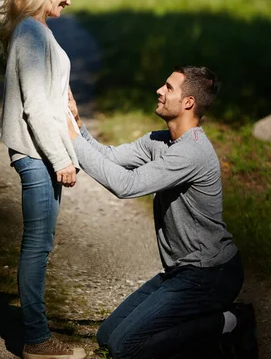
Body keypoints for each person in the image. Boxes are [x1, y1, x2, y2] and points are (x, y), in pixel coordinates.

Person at [66, 66, 258, 359]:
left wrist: (73, 141)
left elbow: (126, 185)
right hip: (180, 272)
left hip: (210, 274)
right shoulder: (161, 140)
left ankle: (232, 322)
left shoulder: (191, 152)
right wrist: (78, 127)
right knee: (107, 336)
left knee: (125, 347)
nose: (159, 90)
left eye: (169, 87)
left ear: (188, 103)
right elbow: (111, 157)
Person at [0, 0, 86, 359]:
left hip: (40, 154)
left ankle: (37, 334)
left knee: (41, 244)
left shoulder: (36, 30)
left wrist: (66, 96)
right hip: (37, 155)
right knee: (37, 246)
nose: (69, 0)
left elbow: (45, 89)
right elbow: (33, 107)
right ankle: (36, 340)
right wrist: (61, 160)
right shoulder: (32, 32)